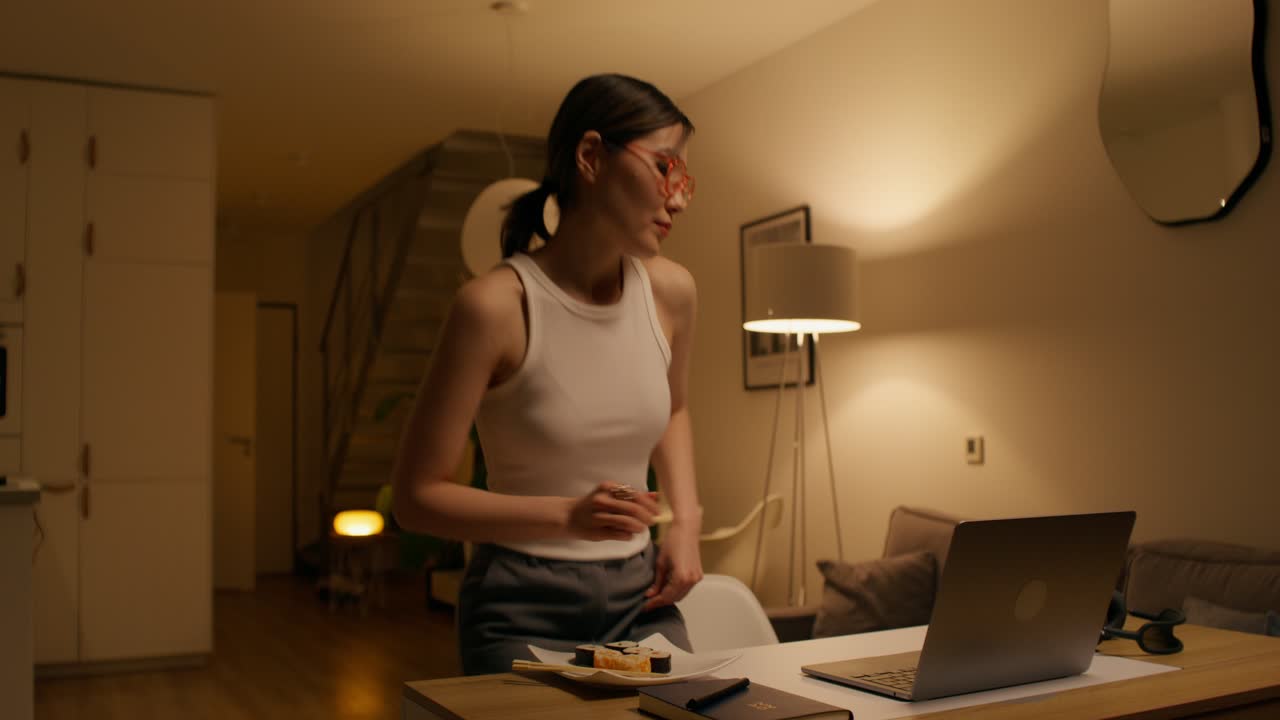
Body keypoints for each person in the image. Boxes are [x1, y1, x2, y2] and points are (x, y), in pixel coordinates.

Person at [391, 73, 704, 676]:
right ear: (591, 157)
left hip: (641, 600)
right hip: (518, 606)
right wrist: (564, 516)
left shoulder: (673, 293)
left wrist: (686, 523)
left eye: (685, 177)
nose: (680, 197)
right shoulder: (493, 307)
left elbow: (674, 408)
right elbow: (415, 498)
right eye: (665, 167)